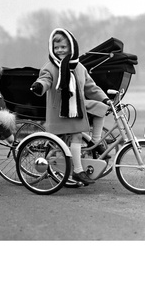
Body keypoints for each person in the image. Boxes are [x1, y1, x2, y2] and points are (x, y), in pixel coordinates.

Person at [30, 28, 110, 186]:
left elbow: (91, 87)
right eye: (56, 48)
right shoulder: (50, 67)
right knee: (76, 136)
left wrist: (106, 99)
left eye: (63, 47)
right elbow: (45, 79)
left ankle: (96, 142)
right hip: (60, 110)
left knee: (101, 107)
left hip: (77, 106)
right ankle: (78, 170)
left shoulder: (79, 67)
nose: (59, 50)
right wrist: (39, 86)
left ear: (72, 48)